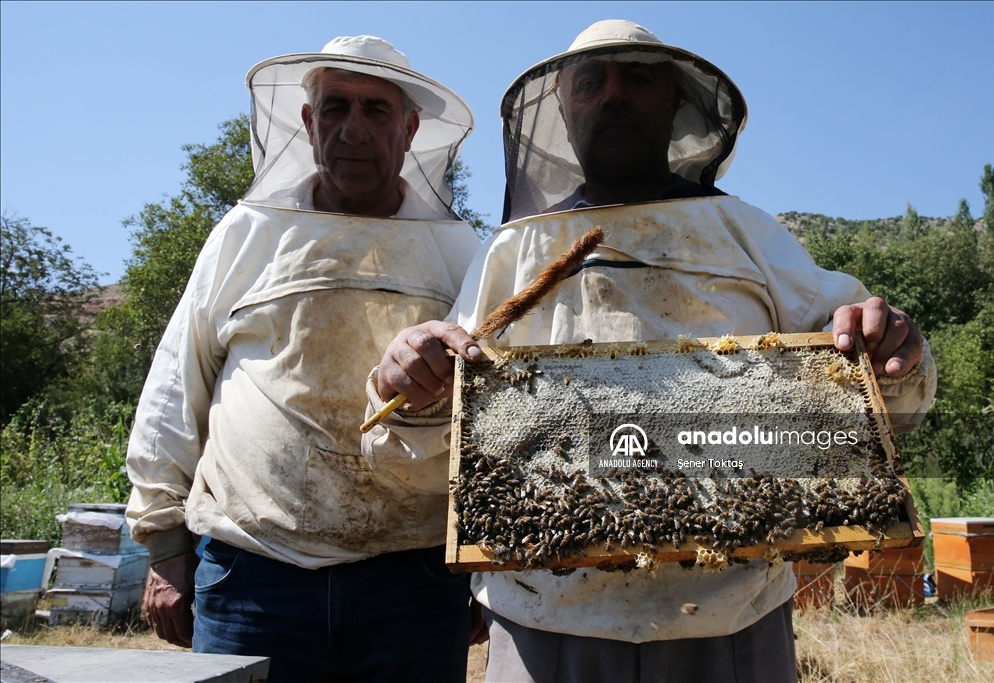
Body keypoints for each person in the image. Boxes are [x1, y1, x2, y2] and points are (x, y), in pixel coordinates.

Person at [367, 20, 937, 682]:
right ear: (564, 107)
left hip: (730, 623)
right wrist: (409, 376)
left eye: (638, 78)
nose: (613, 96)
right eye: (591, 83)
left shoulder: (747, 234)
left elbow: (869, 392)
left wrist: (890, 348)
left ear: (674, 104)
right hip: (545, 621)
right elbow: (436, 424)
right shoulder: (512, 251)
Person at [125, 36, 481, 681]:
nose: (353, 128)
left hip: (415, 576)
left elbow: (490, 412)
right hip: (253, 572)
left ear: (409, 130)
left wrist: (483, 565)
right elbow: (178, 384)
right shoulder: (248, 233)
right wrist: (164, 544)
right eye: (335, 107)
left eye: (376, 110)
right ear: (308, 123)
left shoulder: (458, 250)